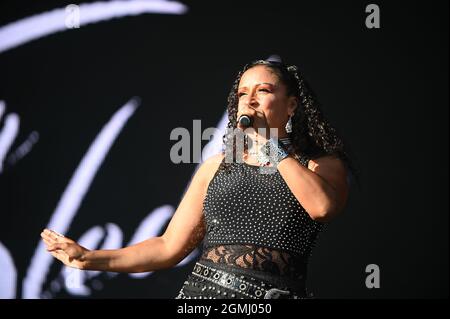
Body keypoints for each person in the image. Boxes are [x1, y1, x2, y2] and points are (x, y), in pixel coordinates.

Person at [41, 58, 353, 299]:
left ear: (292, 105)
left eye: (264, 91)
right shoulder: (216, 167)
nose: (251, 100)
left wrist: (269, 145)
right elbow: (168, 247)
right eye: (243, 93)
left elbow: (322, 207)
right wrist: (88, 258)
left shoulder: (320, 164)